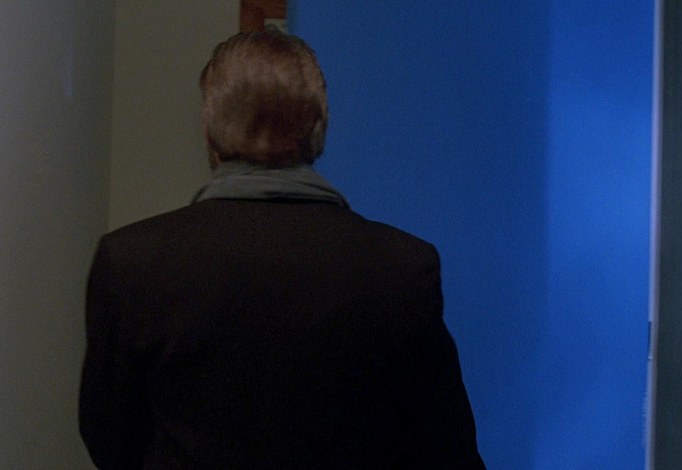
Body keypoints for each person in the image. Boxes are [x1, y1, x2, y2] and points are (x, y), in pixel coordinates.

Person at [78, 29, 485, 469]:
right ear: (318, 128)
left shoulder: (132, 263)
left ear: (209, 130)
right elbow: (447, 451)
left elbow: (111, 442)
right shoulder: (402, 269)